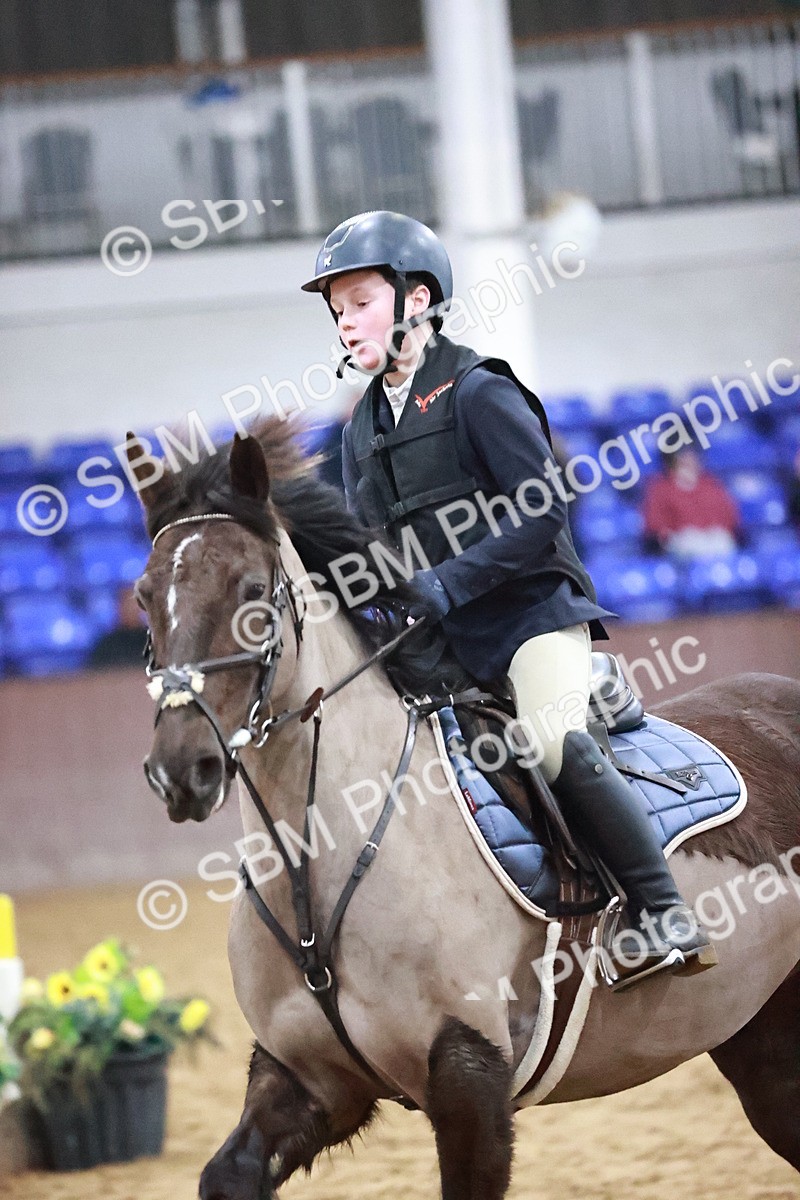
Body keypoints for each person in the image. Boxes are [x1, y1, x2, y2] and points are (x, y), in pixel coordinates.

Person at [301, 210, 713, 988]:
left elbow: (541, 516)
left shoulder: (480, 390)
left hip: (530, 620)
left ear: (415, 300)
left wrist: (444, 583)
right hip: (440, 642)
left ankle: (663, 912)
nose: (343, 319)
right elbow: (373, 550)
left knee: (550, 738)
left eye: (358, 301)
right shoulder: (359, 432)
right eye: (337, 307)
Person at [643, 448, 741, 559]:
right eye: (683, 459)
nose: (689, 462)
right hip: (681, 544)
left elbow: (730, 519)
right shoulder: (660, 489)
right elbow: (656, 527)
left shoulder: (711, 485)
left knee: (722, 542)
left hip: (714, 540)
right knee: (689, 543)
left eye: (692, 457)